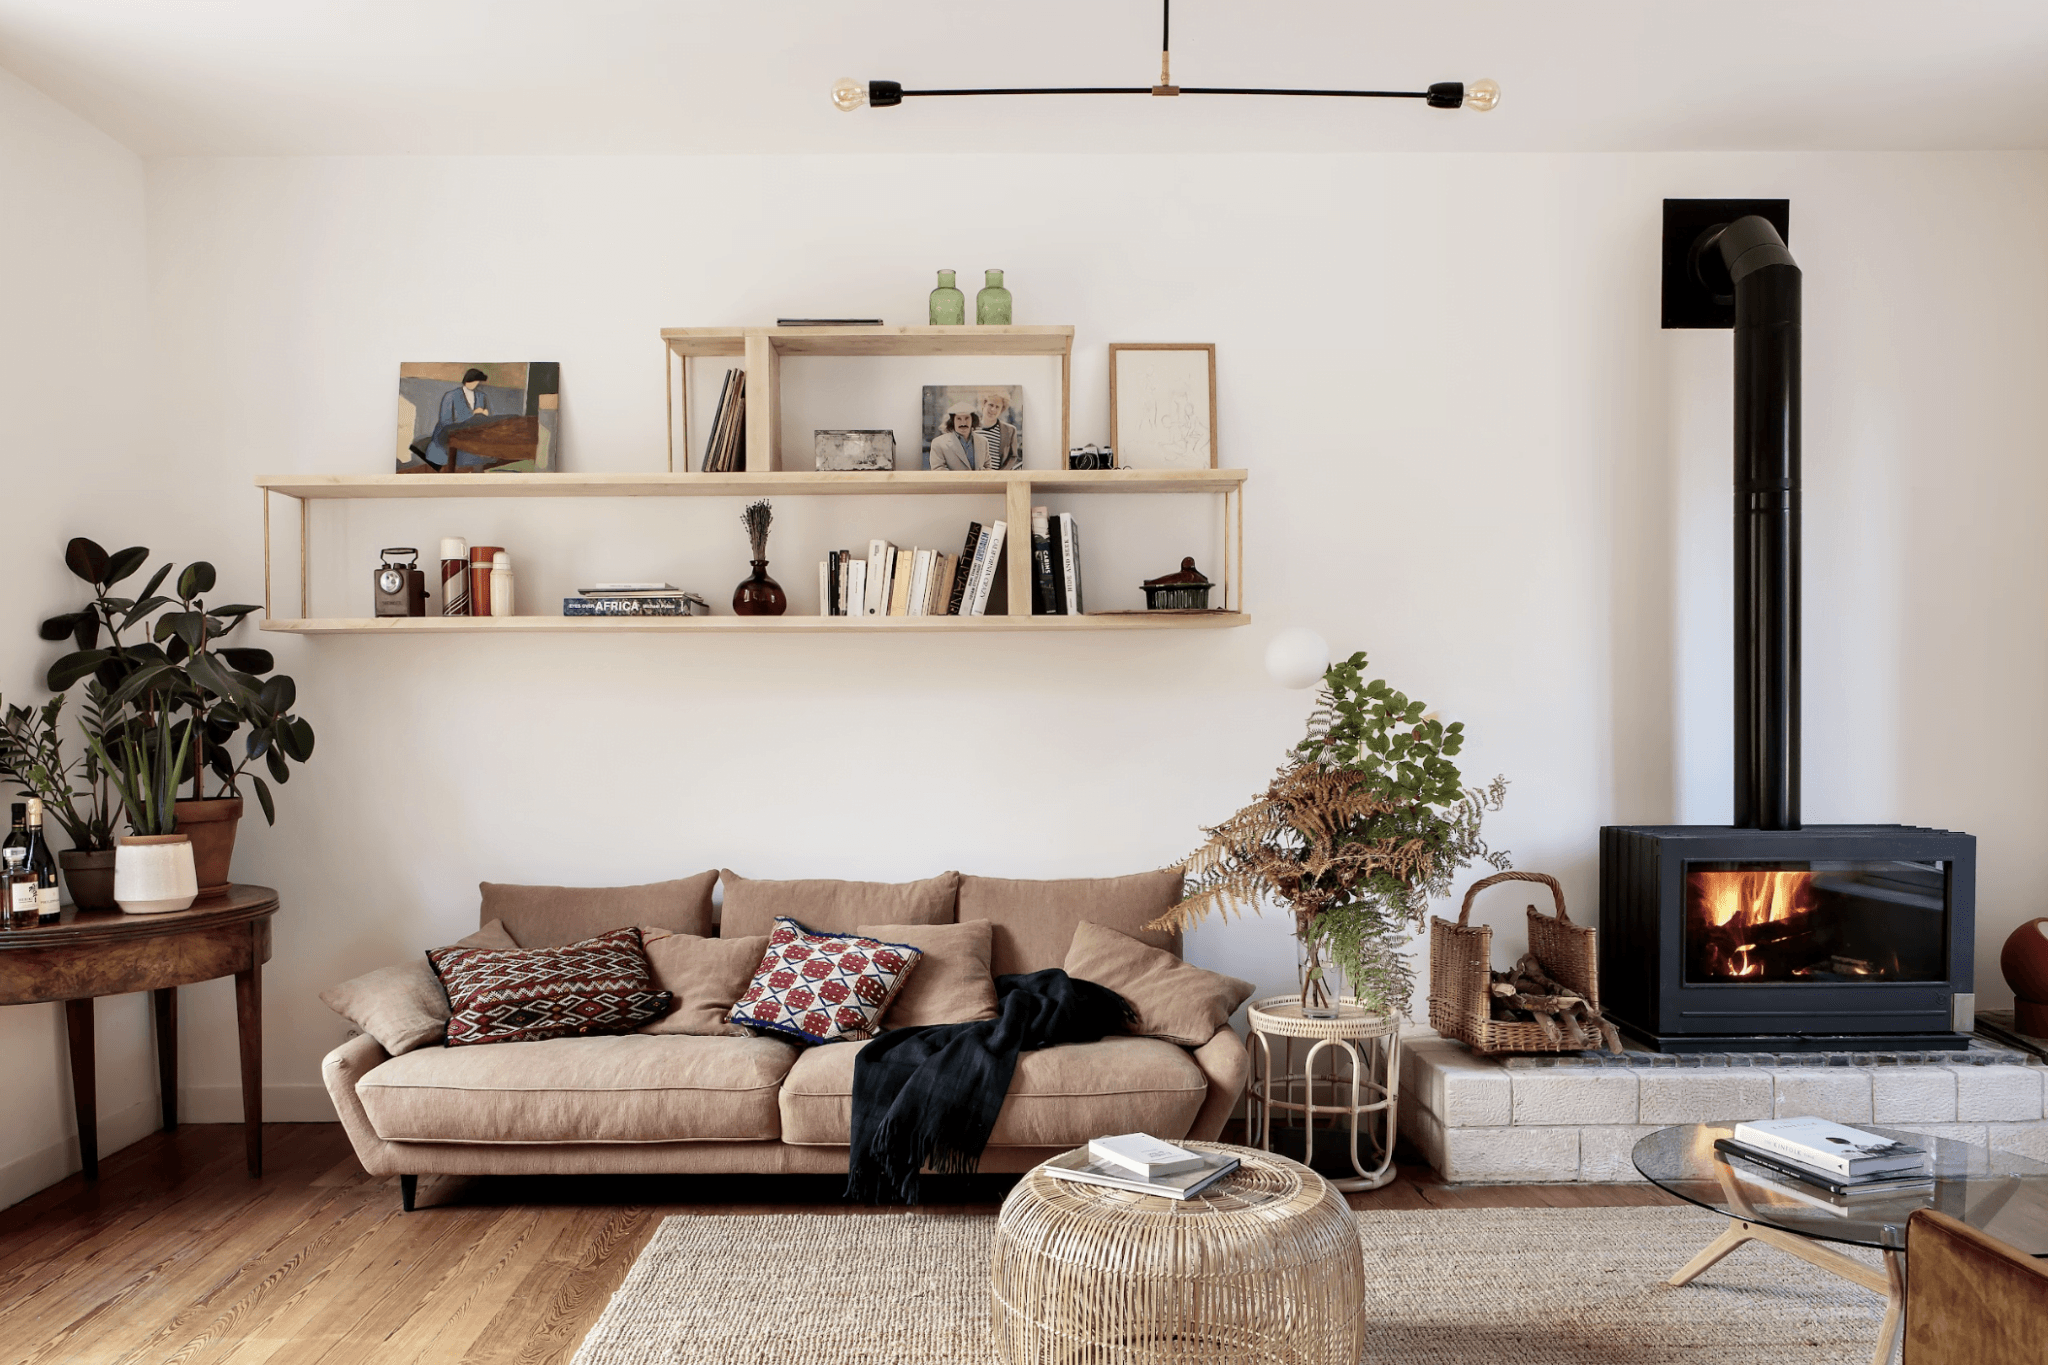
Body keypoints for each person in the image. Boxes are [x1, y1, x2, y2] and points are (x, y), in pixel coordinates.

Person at [418, 368, 493, 470]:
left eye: (478, 382)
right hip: (450, 435)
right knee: (467, 457)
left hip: (474, 436)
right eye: (475, 381)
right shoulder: (450, 396)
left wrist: (484, 414)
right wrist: (473, 415)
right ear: (468, 380)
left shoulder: (482, 396)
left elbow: (488, 418)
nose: (476, 384)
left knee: (485, 453)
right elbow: (445, 421)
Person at [975, 389, 1021, 469]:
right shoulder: (971, 427)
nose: (993, 409)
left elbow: (1013, 457)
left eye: (997, 407)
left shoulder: (1010, 431)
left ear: (1001, 410)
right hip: (973, 478)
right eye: (991, 405)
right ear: (984, 404)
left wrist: (1001, 475)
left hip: (997, 478)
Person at [927, 401, 979, 471]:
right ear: (952, 421)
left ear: (973, 420)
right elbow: (938, 471)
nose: (963, 423)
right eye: (959, 419)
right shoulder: (938, 443)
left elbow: (987, 468)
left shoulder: (983, 442)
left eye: (967, 418)